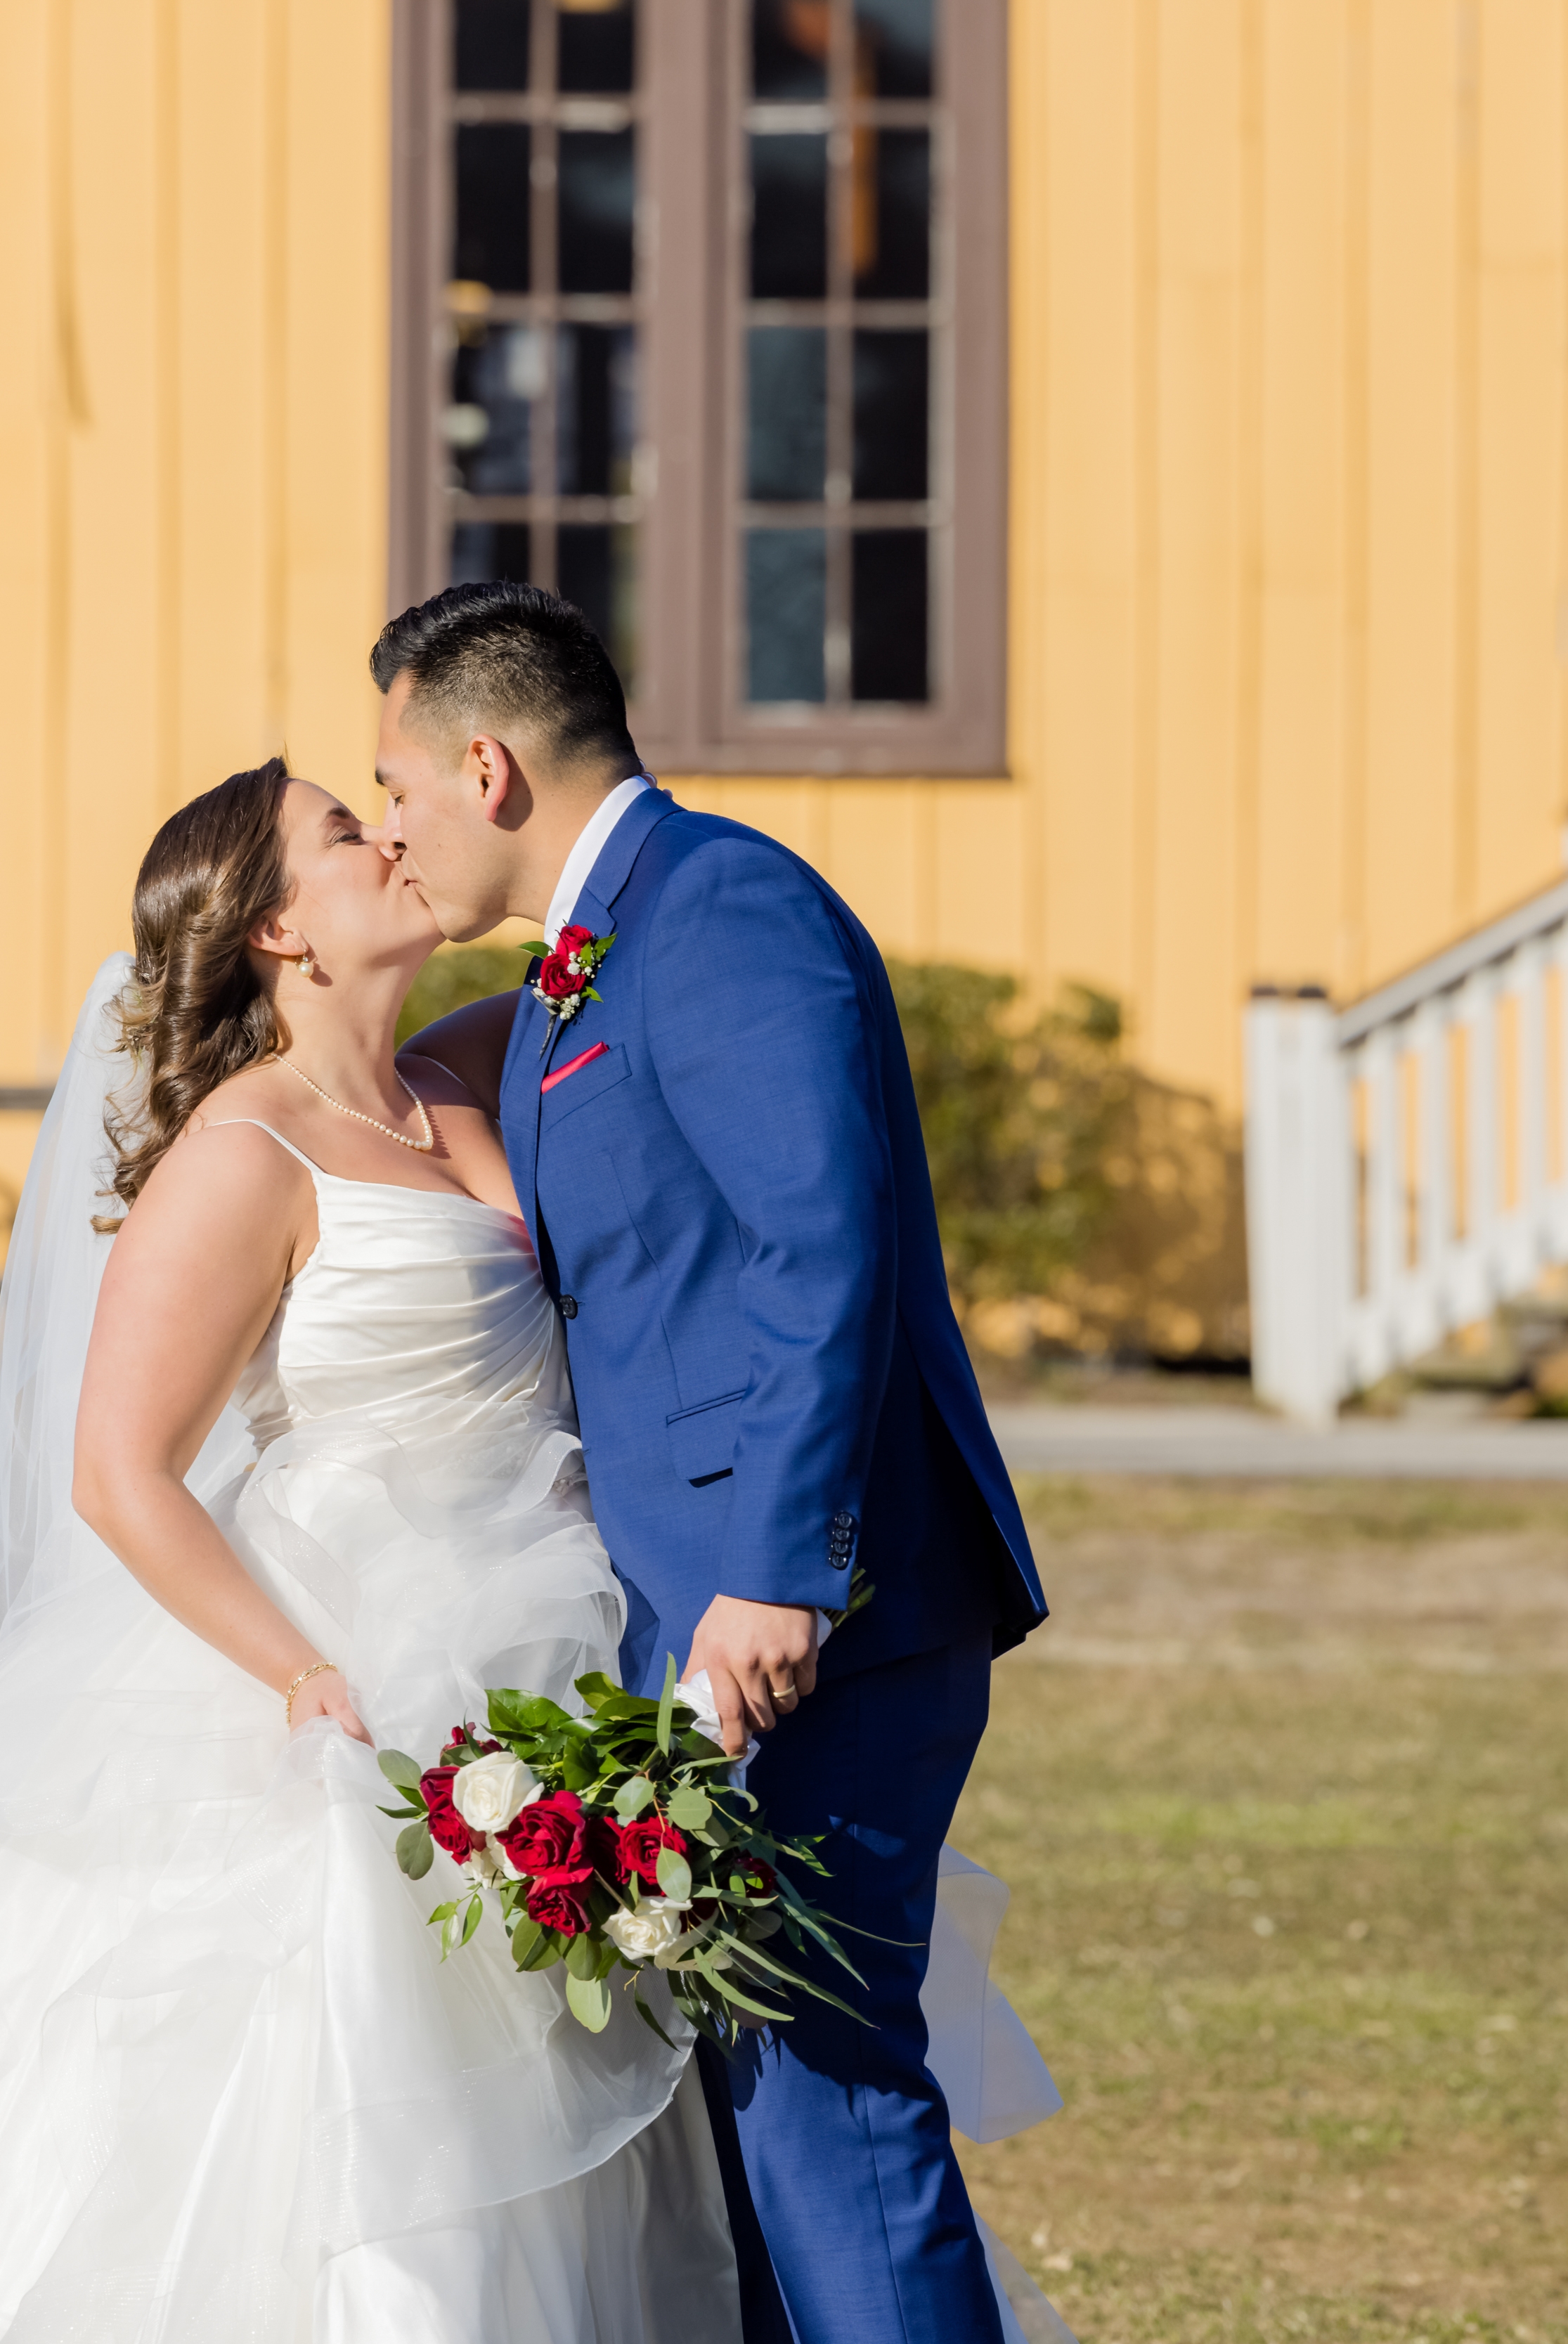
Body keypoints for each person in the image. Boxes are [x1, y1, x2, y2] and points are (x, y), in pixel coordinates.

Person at [378, 581, 1051, 2344]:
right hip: (694, 1623)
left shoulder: (724, 906)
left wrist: (772, 1573)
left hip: (814, 1616)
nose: (393, 828)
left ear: (485, 766)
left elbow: (820, 1247)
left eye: (396, 785)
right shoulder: (577, 967)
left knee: (828, 2095)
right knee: (743, 2114)